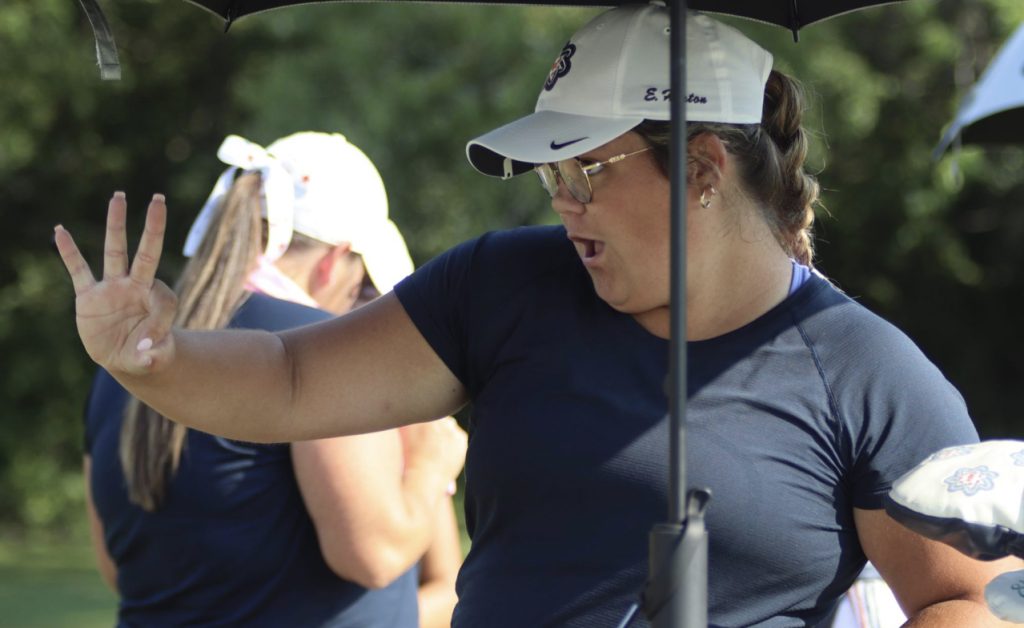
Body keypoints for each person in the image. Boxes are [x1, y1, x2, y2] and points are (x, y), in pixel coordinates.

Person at [57, 4, 1019, 626]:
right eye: (550, 176)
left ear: (701, 170)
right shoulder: (502, 286)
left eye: (584, 171)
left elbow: (962, 600)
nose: (561, 203)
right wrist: (157, 358)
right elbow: (292, 380)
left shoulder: (867, 372)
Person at [80, 132, 467, 627]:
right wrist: (434, 465)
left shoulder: (128, 363)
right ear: (333, 262)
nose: (360, 303)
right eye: (364, 283)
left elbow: (118, 568)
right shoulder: (326, 346)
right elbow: (375, 554)